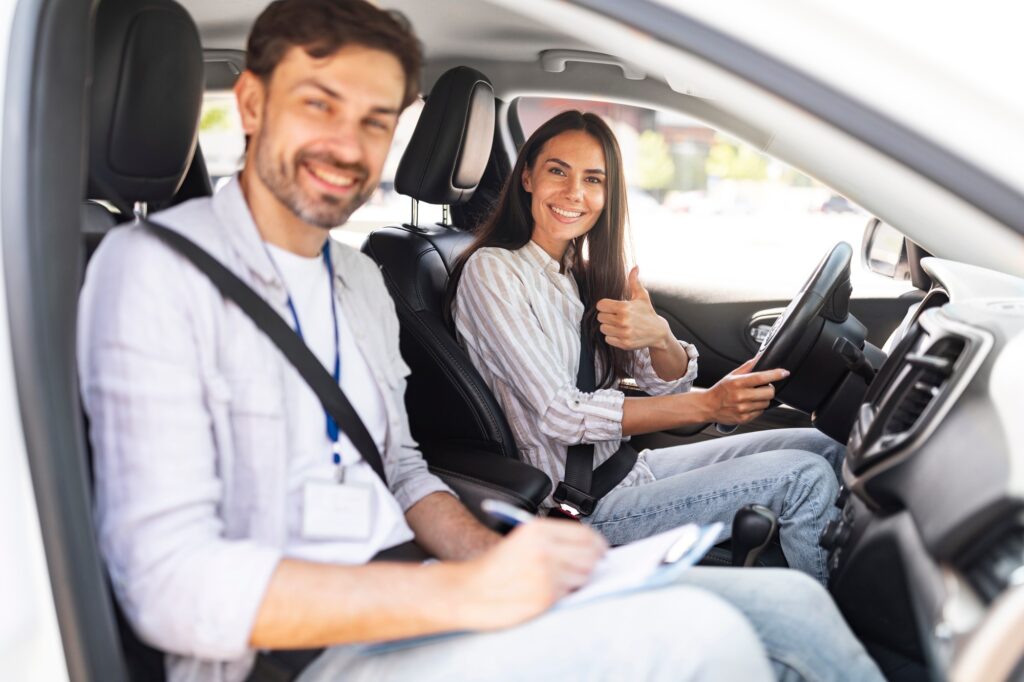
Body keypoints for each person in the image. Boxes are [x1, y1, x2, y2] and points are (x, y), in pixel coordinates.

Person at [78, 1, 881, 681]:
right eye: (318, 104)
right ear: (250, 104)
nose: (348, 145)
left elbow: (401, 470)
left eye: (376, 119)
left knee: (795, 605)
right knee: (710, 639)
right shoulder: (151, 270)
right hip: (298, 656)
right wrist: (463, 596)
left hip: (414, 597)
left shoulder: (356, 280)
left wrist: (493, 560)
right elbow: (168, 585)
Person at [450, 110, 846, 584]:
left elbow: (665, 383)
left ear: (608, 194)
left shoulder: (582, 272)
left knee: (823, 447)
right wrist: (707, 403)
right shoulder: (493, 271)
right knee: (803, 477)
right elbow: (561, 413)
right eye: (558, 171)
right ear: (529, 177)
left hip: (626, 468)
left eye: (593, 179)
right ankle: (823, 626)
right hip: (577, 502)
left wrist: (658, 333)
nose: (575, 193)